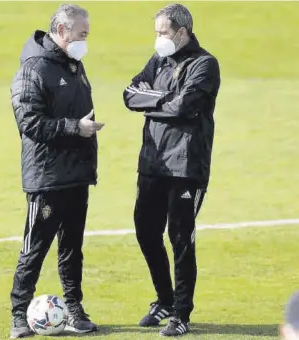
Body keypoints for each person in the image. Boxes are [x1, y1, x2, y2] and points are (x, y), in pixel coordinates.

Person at [123, 3, 220, 337]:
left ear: (182, 32)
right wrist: (164, 99)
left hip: (186, 167)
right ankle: (164, 299)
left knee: (180, 237)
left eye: (163, 33)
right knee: (145, 231)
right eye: (157, 32)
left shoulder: (205, 64)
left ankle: (181, 313)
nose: (158, 39)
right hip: (153, 163)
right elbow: (129, 94)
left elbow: (186, 105)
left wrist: (154, 100)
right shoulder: (160, 60)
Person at [9, 4, 104, 338]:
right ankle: (19, 316)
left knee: (72, 249)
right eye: (82, 34)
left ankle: (74, 309)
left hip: (76, 174)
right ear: (62, 31)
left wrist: (85, 130)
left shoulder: (74, 65)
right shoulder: (34, 68)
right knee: (35, 247)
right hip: (47, 177)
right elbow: (29, 122)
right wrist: (74, 128)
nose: (85, 41)